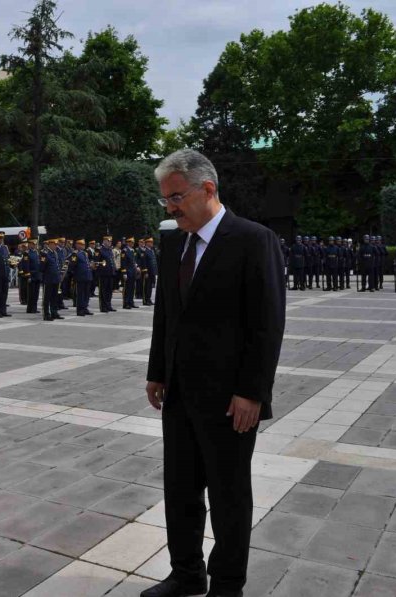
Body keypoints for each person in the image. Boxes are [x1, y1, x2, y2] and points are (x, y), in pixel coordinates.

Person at [144, 149, 285, 597]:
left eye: (176, 197)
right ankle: (186, 574)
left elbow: (267, 322)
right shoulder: (172, 243)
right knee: (181, 490)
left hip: (230, 399)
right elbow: (166, 314)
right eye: (165, 199)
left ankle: (227, 584)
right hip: (180, 393)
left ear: (208, 189)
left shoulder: (252, 239)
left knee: (228, 496)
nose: (170, 206)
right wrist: (157, 371)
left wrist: (252, 391)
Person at [40, 238, 63, 321]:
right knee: (47, 298)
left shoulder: (55, 253)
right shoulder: (45, 253)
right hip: (48, 279)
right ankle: (46, 314)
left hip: (55, 279)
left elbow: (57, 265)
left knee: (54, 297)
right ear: (50, 244)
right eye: (54, 244)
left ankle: (54, 313)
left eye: (56, 245)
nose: (56, 246)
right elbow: (42, 267)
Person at [71, 239, 93, 316]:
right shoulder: (75, 254)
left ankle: (85, 308)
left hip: (87, 276)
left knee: (87, 294)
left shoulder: (85, 253)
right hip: (80, 277)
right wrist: (76, 275)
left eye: (83, 244)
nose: (83, 246)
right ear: (77, 245)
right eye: (81, 244)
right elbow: (72, 266)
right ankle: (80, 310)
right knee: (80, 294)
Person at [97, 236, 116, 312]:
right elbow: (97, 262)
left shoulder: (109, 250)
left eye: (111, 241)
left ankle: (108, 305)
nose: (110, 242)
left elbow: (111, 261)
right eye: (108, 241)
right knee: (103, 291)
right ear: (104, 241)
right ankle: (103, 306)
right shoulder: (99, 250)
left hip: (110, 273)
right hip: (103, 274)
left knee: (109, 290)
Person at [121, 237, 140, 309]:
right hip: (128, 272)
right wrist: (124, 273)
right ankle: (126, 303)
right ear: (128, 242)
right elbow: (123, 263)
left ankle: (131, 302)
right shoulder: (124, 251)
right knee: (127, 289)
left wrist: (137, 266)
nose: (132, 244)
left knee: (132, 288)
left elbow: (133, 261)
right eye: (131, 242)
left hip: (133, 272)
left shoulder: (132, 250)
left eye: (133, 242)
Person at [26, 238, 42, 314]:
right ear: (30, 244)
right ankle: (30, 308)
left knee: (36, 293)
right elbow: (26, 266)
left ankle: (34, 308)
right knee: (31, 294)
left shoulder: (37, 253)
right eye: (33, 244)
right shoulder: (27, 253)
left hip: (37, 275)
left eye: (35, 244)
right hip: (32, 275)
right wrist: (28, 276)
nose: (35, 246)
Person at [143, 237, 158, 306]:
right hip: (148, 272)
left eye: (152, 242)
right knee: (147, 287)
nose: (152, 243)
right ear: (147, 243)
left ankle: (149, 299)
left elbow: (154, 262)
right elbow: (144, 262)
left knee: (150, 287)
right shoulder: (145, 251)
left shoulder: (151, 250)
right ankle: (146, 300)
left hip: (152, 272)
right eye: (150, 242)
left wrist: (155, 271)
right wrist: (145, 272)